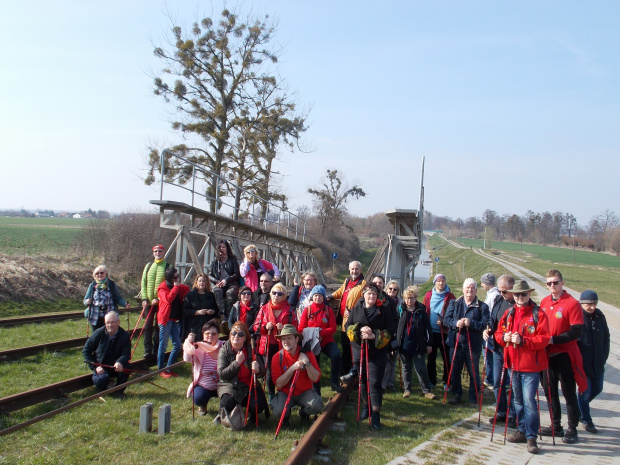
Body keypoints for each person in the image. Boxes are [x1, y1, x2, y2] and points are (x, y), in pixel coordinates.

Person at [495, 280, 550, 454]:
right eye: (517, 294)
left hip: (530, 368)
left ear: (529, 295)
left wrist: (523, 341)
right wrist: (505, 338)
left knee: (529, 402)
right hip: (513, 365)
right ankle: (522, 430)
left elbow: (544, 339)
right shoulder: (509, 313)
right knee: (517, 401)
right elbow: (498, 333)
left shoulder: (538, 314)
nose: (520, 297)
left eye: (523, 294)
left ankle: (532, 436)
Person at [539, 269, 587, 444]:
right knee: (549, 391)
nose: (552, 285)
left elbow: (576, 331)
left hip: (565, 354)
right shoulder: (544, 302)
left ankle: (572, 429)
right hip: (547, 355)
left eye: (555, 282)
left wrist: (554, 339)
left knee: (568, 392)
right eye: (549, 283)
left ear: (562, 283)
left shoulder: (572, 303)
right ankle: (555, 425)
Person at [342, 284, 394, 429]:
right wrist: (359, 331)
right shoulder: (356, 309)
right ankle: (367, 408)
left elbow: (390, 329)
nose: (371, 297)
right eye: (369, 294)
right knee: (363, 381)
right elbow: (348, 327)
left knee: (375, 382)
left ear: (378, 296)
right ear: (363, 295)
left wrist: (374, 335)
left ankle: (376, 414)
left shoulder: (383, 310)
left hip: (377, 352)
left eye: (374, 294)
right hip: (359, 350)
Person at [443, 278, 490, 406]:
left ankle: (473, 398)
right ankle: (456, 395)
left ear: (476, 290)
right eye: (467, 288)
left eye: (472, 288)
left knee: (473, 372)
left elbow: (484, 324)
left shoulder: (482, 307)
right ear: (463, 289)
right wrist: (455, 323)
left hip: (472, 346)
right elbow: (446, 320)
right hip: (455, 343)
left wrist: (471, 323)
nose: (469, 290)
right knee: (454, 371)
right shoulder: (454, 303)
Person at [217, 321, 268, 429]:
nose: (236, 336)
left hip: (248, 386)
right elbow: (222, 374)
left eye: (240, 334)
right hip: (230, 385)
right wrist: (237, 363)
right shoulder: (224, 350)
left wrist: (258, 370)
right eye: (233, 333)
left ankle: (252, 415)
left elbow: (262, 372)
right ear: (230, 335)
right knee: (226, 403)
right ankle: (224, 413)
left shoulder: (251, 350)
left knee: (258, 406)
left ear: (245, 338)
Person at [253, 283, 298, 399]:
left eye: (279, 294)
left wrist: (284, 328)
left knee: (285, 369)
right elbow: (256, 326)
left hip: (283, 344)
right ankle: (272, 395)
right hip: (268, 343)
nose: (276, 296)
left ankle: (285, 393)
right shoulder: (264, 309)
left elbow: (294, 326)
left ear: (284, 296)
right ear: (270, 294)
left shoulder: (288, 310)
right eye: (274, 293)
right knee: (269, 371)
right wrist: (265, 326)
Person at [271, 324, 324, 424]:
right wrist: (292, 368)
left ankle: (304, 412)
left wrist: (307, 363)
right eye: (284, 339)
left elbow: (316, 378)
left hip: (304, 392)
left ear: (296, 339)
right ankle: (286, 416)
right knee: (278, 411)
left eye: (289, 338)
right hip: (285, 393)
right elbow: (279, 384)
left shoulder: (307, 353)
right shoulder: (277, 357)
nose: (286, 342)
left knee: (316, 405)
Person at [483, 274, 516, 427]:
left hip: (514, 351)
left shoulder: (519, 303)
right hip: (498, 349)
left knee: (513, 384)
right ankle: (501, 411)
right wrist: (488, 329)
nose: (502, 294)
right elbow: (492, 319)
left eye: (505, 291)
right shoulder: (498, 300)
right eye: (500, 291)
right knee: (498, 382)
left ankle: (514, 414)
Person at [577, 290, 610, 434]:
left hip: (598, 362)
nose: (592, 306)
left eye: (594, 303)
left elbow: (606, 337)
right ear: (582, 303)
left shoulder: (599, 316)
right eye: (589, 304)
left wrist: (604, 355)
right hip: (583, 363)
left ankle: (578, 409)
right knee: (585, 391)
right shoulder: (577, 317)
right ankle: (586, 420)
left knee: (597, 389)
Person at [298, 285, 342, 393]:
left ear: (323, 297)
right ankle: (316, 391)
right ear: (312, 297)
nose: (317, 298)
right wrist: (314, 334)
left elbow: (333, 328)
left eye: (320, 296)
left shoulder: (328, 310)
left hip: (326, 340)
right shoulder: (307, 311)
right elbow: (301, 329)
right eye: (315, 296)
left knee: (336, 356)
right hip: (312, 342)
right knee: (315, 365)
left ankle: (334, 382)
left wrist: (321, 333)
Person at [327, 261, 367, 376]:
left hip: (355, 321)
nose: (354, 271)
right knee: (345, 346)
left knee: (353, 347)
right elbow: (341, 292)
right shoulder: (347, 281)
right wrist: (330, 296)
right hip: (345, 320)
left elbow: (364, 301)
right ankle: (345, 369)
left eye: (356, 269)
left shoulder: (363, 284)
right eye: (352, 269)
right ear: (349, 270)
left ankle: (354, 372)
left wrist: (354, 312)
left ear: (360, 269)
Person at [396, 285, 435, 399]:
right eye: (407, 298)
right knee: (406, 368)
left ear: (416, 298)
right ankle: (407, 390)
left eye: (412, 298)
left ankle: (427, 391)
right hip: (404, 344)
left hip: (418, 344)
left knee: (421, 368)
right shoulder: (401, 309)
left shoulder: (421, 310)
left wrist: (429, 344)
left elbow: (428, 328)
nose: (409, 300)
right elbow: (397, 326)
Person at [82, 311, 131, 398]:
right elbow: (86, 351)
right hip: (101, 367)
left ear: (118, 322)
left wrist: (120, 362)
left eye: (112, 322)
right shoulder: (98, 333)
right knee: (101, 380)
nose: (110, 325)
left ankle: (119, 391)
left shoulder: (125, 336)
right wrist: (96, 367)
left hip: (116, 367)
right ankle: (104, 389)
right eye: (107, 322)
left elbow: (126, 353)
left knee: (127, 367)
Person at [423, 273, 456, 389]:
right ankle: (431, 381)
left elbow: (453, 314)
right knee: (431, 358)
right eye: (438, 281)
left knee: (447, 357)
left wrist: (445, 323)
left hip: (445, 332)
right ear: (435, 283)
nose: (441, 283)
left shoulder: (451, 296)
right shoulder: (428, 295)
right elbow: (424, 310)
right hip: (431, 332)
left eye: (443, 281)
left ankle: (447, 381)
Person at [183, 320, 223, 415]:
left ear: (218, 335)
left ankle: (224, 408)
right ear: (203, 334)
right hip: (204, 385)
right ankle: (202, 405)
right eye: (207, 333)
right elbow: (188, 359)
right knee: (199, 398)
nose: (210, 336)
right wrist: (188, 343)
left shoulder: (224, 346)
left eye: (214, 333)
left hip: (222, 385)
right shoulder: (198, 347)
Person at [156, 267, 190, 378]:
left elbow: (186, 289)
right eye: (175, 277)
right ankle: (161, 369)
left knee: (178, 345)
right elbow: (168, 299)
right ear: (170, 278)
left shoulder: (177, 286)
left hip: (174, 320)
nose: (178, 279)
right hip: (165, 320)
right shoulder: (162, 287)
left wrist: (185, 294)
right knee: (163, 345)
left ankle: (168, 368)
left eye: (178, 276)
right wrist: (176, 287)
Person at [140, 244, 170, 359]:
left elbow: (168, 285)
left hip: (161, 302)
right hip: (148, 302)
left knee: (159, 326)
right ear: (153, 253)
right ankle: (147, 349)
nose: (158, 253)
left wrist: (158, 298)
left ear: (163, 253)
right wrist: (144, 298)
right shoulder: (148, 266)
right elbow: (143, 283)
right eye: (156, 251)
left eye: (160, 251)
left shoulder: (168, 266)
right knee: (148, 326)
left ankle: (156, 349)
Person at [83, 265, 131, 333]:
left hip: (109, 316)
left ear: (106, 273)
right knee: (97, 336)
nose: (99, 274)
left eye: (102, 272)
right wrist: (87, 301)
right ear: (94, 275)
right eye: (97, 273)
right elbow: (85, 300)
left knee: (109, 335)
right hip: (95, 316)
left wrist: (125, 304)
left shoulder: (111, 284)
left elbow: (118, 298)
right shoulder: (92, 285)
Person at [208, 240, 240, 321]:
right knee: (217, 291)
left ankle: (229, 314)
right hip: (219, 284)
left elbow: (236, 274)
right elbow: (209, 275)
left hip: (231, 283)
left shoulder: (232, 260)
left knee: (230, 292)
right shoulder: (215, 261)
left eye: (223, 247)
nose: (221, 249)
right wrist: (216, 281)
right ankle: (222, 315)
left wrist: (226, 280)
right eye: (220, 247)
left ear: (227, 248)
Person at [183, 274, 218, 341]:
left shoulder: (211, 296)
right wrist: (197, 312)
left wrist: (212, 311)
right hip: (194, 327)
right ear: (197, 282)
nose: (202, 283)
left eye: (204, 281)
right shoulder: (190, 295)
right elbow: (185, 311)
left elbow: (216, 310)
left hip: (207, 327)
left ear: (207, 283)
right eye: (200, 281)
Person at [481, 272, 500, 388]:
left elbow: (492, 313)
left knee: (490, 356)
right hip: (488, 330)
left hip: (490, 331)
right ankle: (491, 378)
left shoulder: (494, 296)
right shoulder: (491, 294)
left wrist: (489, 327)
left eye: (483, 282)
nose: (482, 285)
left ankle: (492, 379)